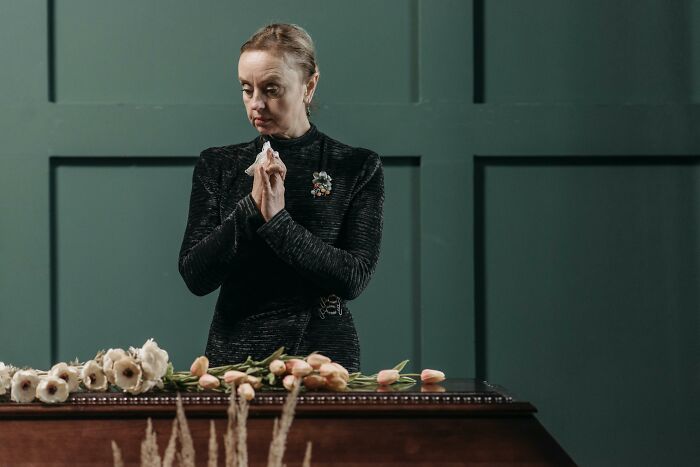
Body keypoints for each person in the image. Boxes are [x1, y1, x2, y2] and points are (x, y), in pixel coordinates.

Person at [177, 23, 384, 373]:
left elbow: (353, 278)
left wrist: (277, 222)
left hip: (323, 360)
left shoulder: (355, 166)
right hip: (235, 361)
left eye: (271, 89)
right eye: (246, 89)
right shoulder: (218, 165)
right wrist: (249, 211)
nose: (256, 104)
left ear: (309, 85)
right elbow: (196, 276)